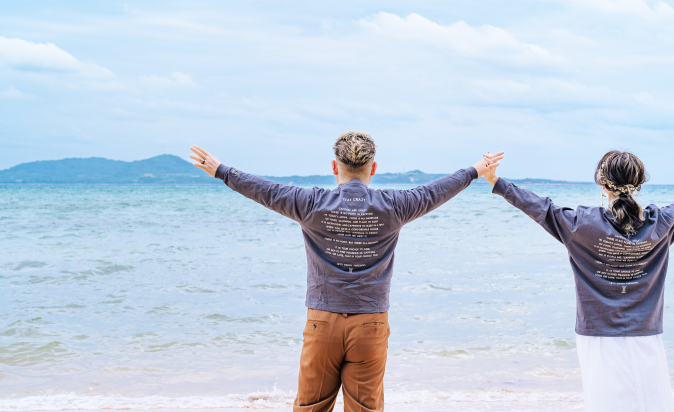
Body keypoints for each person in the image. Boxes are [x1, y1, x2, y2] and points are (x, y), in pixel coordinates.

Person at [190, 132, 502, 412]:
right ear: (374, 168)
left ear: (334, 167)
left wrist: (222, 171)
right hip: (371, 323)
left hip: (322, 322)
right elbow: (438, 190)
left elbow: (266, 190)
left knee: (310, 408)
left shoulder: (309, 202)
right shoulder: (397, 204)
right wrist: (475, 170)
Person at [480, 150, 674, 412]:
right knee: (650, 403)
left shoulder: (580, 225)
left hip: (596, 336)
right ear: (639, 183)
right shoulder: (662, 222)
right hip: (647, 333)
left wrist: (496, 180)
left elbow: (540, 207)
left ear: (602, 184)